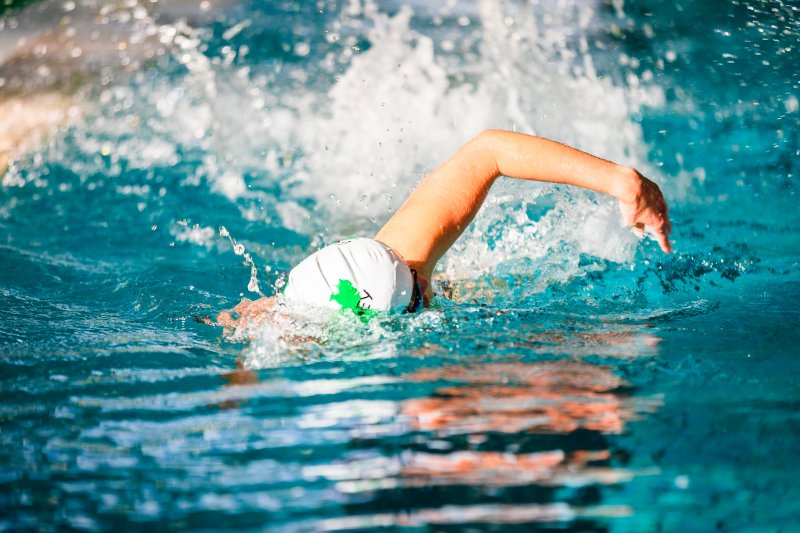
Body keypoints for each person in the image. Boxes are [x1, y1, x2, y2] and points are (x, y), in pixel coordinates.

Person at [218, 129, 671, 327]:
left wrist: (620, 181)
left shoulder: (401, 259)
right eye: (417, 298)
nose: (424, 285)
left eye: (413, 275)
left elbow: (489, 151)